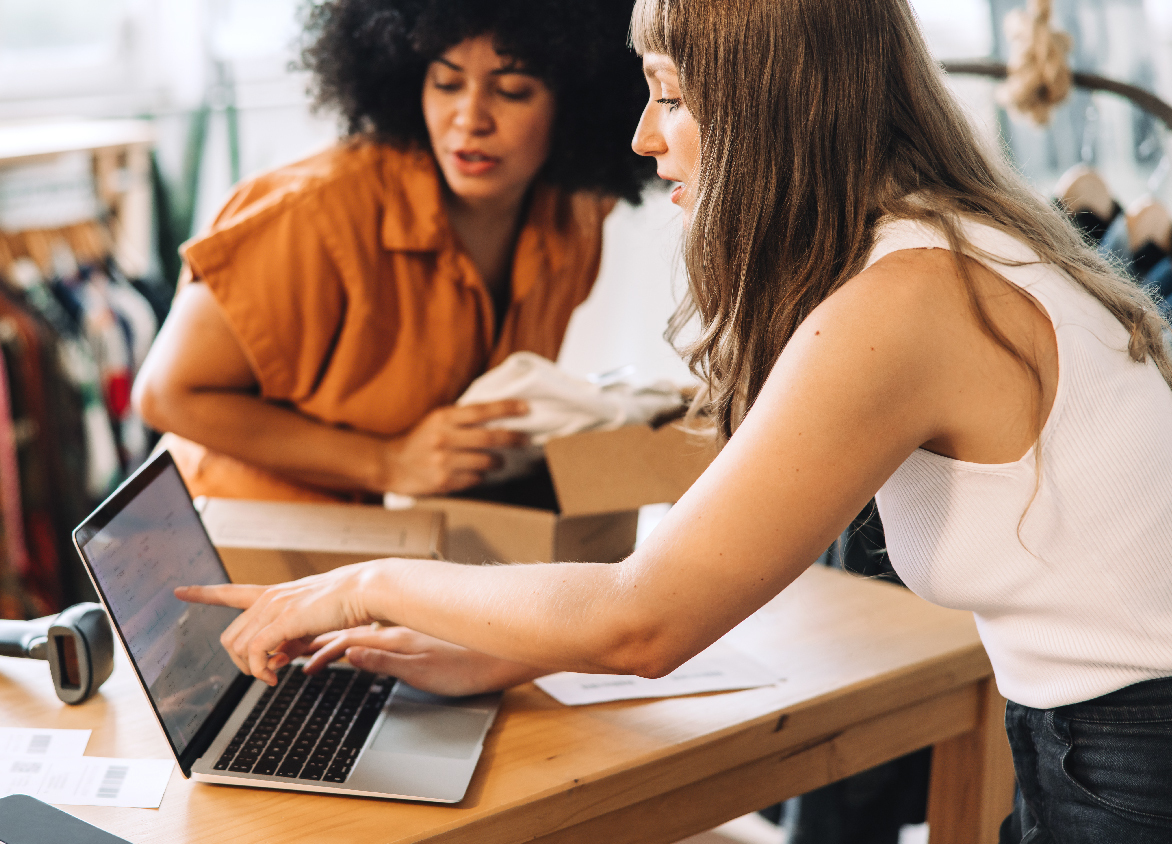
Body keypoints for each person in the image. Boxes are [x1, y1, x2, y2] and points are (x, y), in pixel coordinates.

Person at [177, 0, 1172, 839]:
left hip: (1127, 754)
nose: (645, 136)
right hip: (1098, 734)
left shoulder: (908, 299)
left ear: (768, 107)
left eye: (672, 96)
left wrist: (360, 587)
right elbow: (715, 555)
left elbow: (643, 619)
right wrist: (502, 649)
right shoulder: (947, 246)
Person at [132, 0, 654, 504]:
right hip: (228, 530)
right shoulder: (316, 215)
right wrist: (387, 461)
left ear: (577, 100)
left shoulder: (574, 219)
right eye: (446, 82)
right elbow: (166, 394)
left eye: (512, 90)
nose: (469, 118)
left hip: (397, 538)